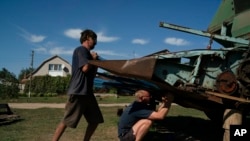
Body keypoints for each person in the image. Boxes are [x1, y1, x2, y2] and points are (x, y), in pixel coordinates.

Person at [52, 29, 104, 141]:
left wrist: (95, 63)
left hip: (87, 92)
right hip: (78, 91)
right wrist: (93, 59)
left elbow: (92, 73)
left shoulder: (88, 55)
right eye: (93, 39)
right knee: (67, 120)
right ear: (86, 39)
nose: (95, 42)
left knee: (95, 120)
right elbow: (85, 68)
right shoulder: (81, 50)